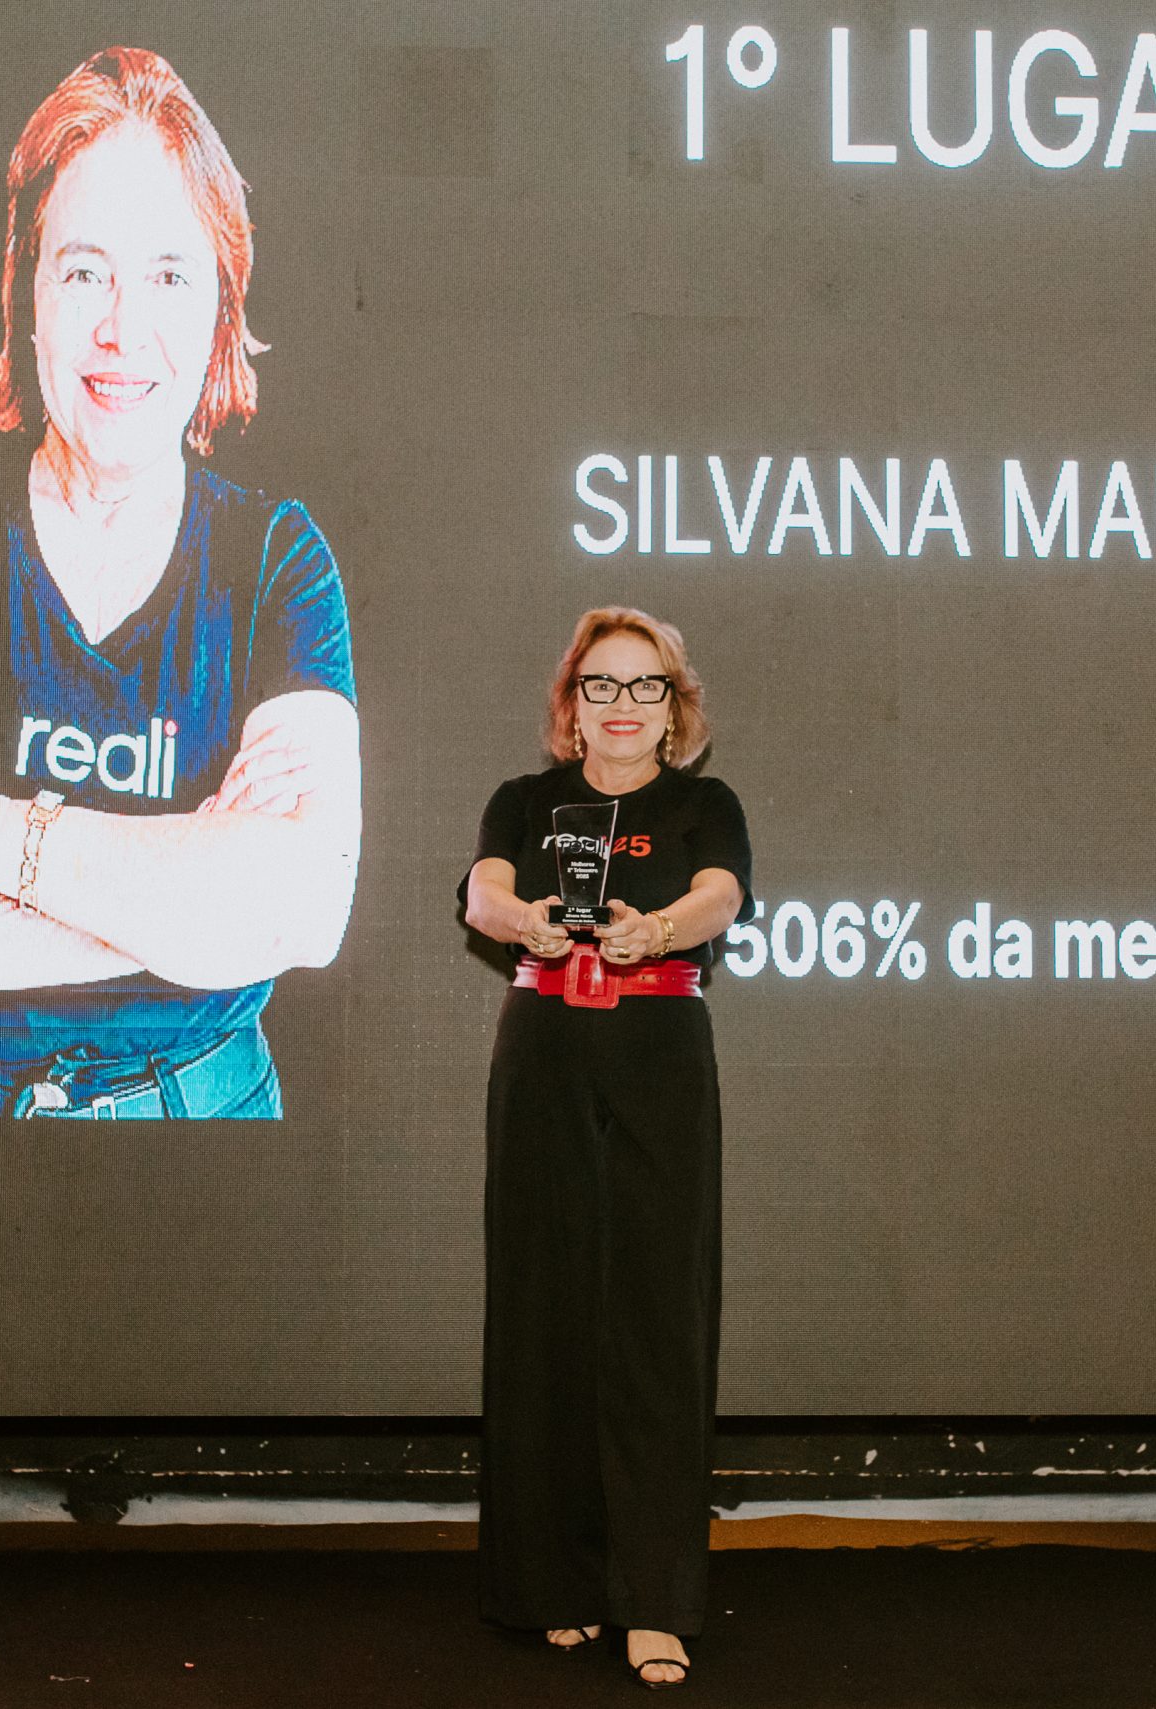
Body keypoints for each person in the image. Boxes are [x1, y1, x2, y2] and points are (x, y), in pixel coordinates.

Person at [0, 47, 359, 1120]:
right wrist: (197, 895)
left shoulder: (279, 557)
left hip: (211, 1126)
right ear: (28, 292)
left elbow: (306, 911)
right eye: (85, 270)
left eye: (169, 275)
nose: (121, 328)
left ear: (220, 308)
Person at [460, 607, 755, 1689]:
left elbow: (721, 893)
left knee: (657, 1319)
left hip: (660, 1053)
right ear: (570, 703)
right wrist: (523, 922)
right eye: (601, 684)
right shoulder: (525, 800)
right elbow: (484, 890)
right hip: (542, 1050)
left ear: (674, 708)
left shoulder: (704, 805)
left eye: (644, 686)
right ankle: (552, 1582)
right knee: (541, 1312)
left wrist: (658, 928)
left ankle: (653, 1599)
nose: (622, 704)